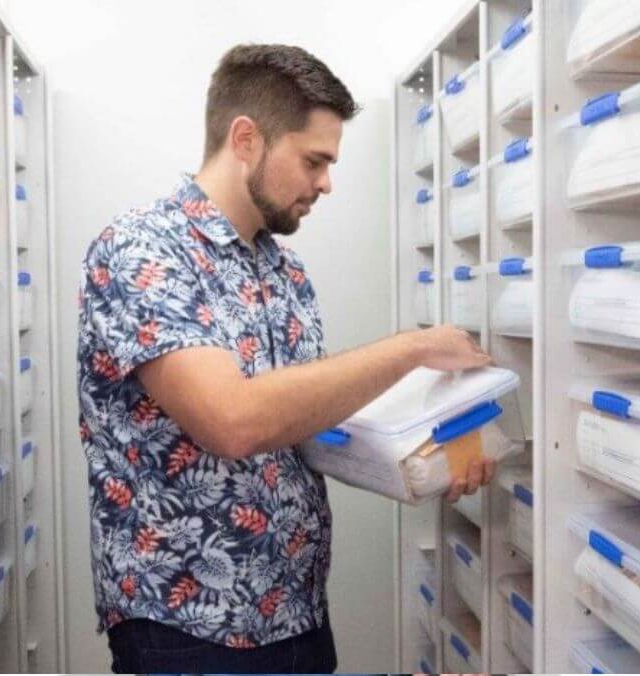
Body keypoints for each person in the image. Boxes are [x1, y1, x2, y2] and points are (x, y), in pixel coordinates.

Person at [77, 43, 499, 674]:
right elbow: (234, 421)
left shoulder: (284, 272)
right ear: (246, 138)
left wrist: (430, 455)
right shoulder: (144, 250)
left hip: (295, 612)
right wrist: (412, 349)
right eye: (314, 160)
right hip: (186, 627)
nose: (326, 182)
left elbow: (307, 428)